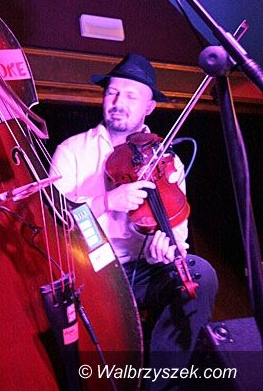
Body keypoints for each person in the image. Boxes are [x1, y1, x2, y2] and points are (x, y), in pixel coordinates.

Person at [50, 53, 218, 389]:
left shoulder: (166, 160)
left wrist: (165, 249)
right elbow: (54, 220)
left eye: (131, 96)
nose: (118, 102)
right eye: (112, 92)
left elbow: (177, 232)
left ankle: (159, 384)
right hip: (88, 269)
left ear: (149, 107)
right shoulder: (72, 150)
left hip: (143, 272)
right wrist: (106, 202)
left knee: (200, 275)